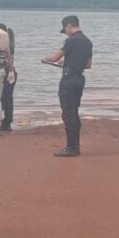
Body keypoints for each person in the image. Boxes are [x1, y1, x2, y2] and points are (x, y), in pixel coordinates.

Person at [42, 15, 93, 157]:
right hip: (79, 80)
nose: (66, 32)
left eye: (65, 29)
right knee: (74, 112)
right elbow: (88, 65)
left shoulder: (71, 41)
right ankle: (74, 145)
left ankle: (72, 147)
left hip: (68, 81)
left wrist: (45, 59)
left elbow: (54, 57)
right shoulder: (88, 42)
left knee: (68, 113)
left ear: (69, 26)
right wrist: (67, 62)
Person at [0, 23, 17, 131]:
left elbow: (9, 61)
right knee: (6, 98)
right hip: (9, 72)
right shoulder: (9, 43)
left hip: (8, 73)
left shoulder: (6, 45)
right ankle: (6, 120)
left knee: (5, 98)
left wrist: (9, 71)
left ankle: (7, 121)